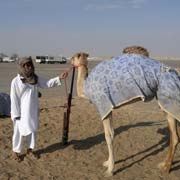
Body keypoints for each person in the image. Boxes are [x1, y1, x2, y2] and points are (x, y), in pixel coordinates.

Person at [10, 56, 68, 162]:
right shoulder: (16, 81)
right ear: (21, 67)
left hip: (32, 110)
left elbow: (47, 83)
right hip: (20, 112)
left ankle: (30, 150)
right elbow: (13, 98)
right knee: (18, 132)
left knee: (32, 130)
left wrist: (59, 78)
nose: (28, 67)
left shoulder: (35, 78)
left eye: (30, 64)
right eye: (26, 65)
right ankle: (15, 152)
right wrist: (16, 114)